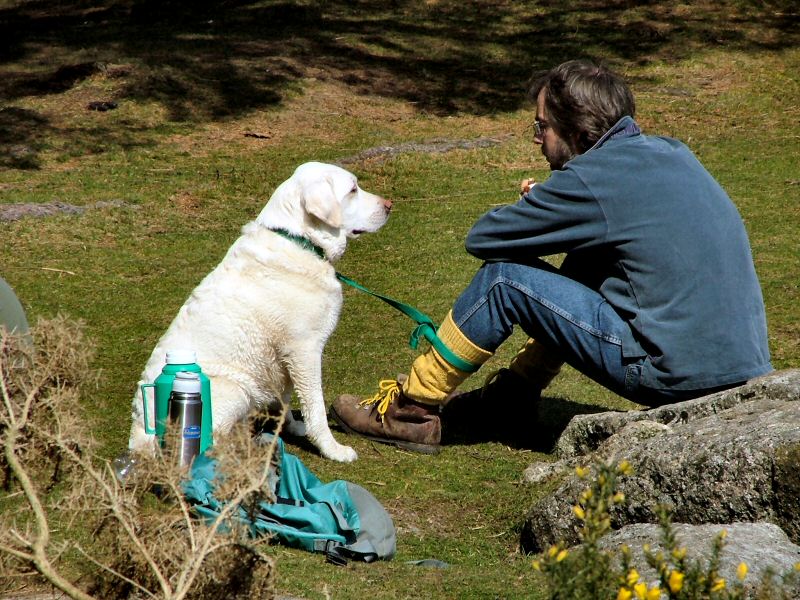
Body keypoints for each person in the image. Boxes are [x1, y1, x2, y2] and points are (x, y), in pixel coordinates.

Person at [329, 59, 772, 454]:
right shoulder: (672, 151)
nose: (538, 140)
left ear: (579, 133)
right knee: (592, 253)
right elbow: (619, 214)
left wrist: (537, 207)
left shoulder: (593, 178)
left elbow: (483, 238)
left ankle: (411, 412)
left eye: (543, 127)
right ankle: (512, 400)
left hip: (673, 374)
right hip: (743, 368)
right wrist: (561, 206)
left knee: (503, 279)